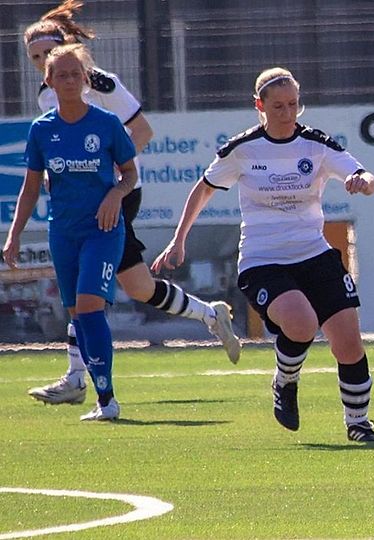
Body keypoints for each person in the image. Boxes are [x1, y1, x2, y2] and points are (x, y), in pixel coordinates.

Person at [22, 0, 240, 407]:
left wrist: (107, 180)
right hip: (81, 200)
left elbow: (141, 130)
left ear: (65, 45)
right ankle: (211, 315)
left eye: (45, 52)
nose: (40, 62)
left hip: (117, 192)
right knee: (137, 286)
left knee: (85, 294)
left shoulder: (100, 83)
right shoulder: (46, 96)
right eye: (34, 57)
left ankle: (76, 378)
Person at [152, 68, 374, 442]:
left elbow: (363, 174)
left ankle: (358, 424)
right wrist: (179, 240)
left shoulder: (315, 144)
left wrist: (363, 182)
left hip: (314, 254)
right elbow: (204, 189)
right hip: (263, 261)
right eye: (277, 106)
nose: (287, 113)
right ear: (259, 105)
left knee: (348, 342)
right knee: (302, 323)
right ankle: (285, 381)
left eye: (293, 104)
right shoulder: (243, 149)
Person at [3, 44, 138, 421]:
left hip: (103, 231)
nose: (68, 80)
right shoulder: (42, 130)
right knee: (78, 312)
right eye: (60, 74)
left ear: (85, 79)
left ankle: (108, 400)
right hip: (63, 234)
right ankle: (100, 397)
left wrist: (116, 193)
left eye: (74, 74)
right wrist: (14, 235)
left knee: (91, 306)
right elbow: (31, 187)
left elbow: (130, 173)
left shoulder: (106, 124)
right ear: (48, 80)